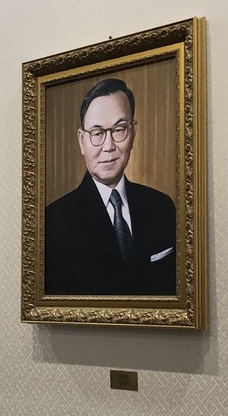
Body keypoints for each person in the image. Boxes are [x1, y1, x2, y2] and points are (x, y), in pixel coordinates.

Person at [44, 77, 176, 295]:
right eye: (97, 133)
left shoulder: (161, 207)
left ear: (133, 133)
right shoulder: (54, 221)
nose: (108, 146)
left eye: (119, 130)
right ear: (82, 141)